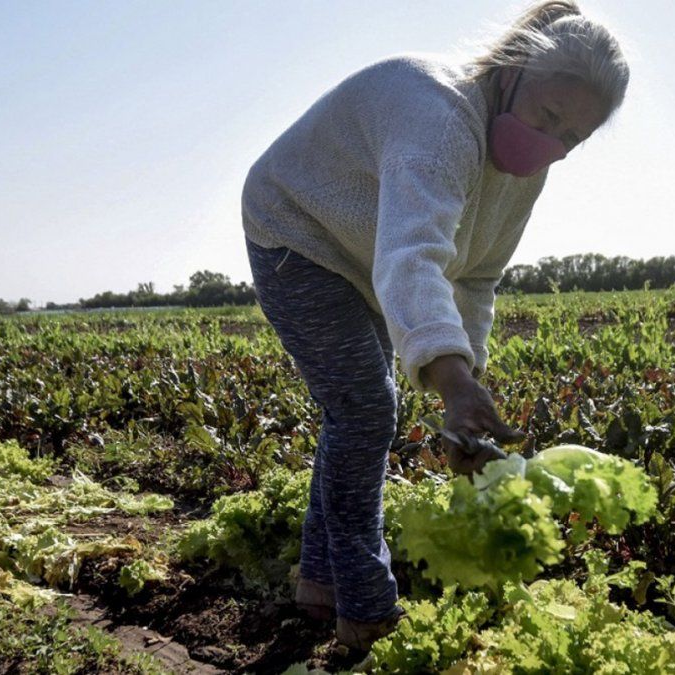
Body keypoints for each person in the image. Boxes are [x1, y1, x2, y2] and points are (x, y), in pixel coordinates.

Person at [240, 0, 629, 650]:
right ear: (514, 69)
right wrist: (450, 382)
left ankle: (319, 580)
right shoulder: (443, 118)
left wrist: (465, 388)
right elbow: (413, 255)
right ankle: (365, 609)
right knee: (365, 408)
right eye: (549, 117)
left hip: (362, 248)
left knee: (354, 409)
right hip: (297, 225)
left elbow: (474, 276)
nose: (552, 145)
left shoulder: (524, 173)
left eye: (573, 138)